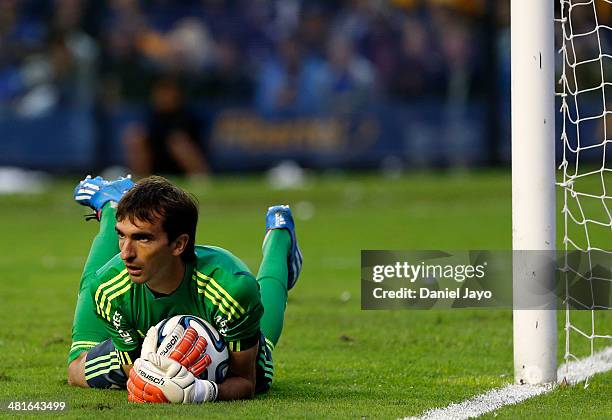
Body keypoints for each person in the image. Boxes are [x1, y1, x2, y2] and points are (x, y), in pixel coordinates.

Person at [67, 174, 302, 403]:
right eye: (121, 235)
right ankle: (112, 205)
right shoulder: (109, 289)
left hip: (221, 347)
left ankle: (280, 237)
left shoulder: (230, 289)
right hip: (145, 349)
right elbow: (133, 373)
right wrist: (157, 381)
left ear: (179, 244)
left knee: (263, 364)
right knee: (76, 368)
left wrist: (202, 392)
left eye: (143, 239)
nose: (126, 254)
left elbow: (244, 380)